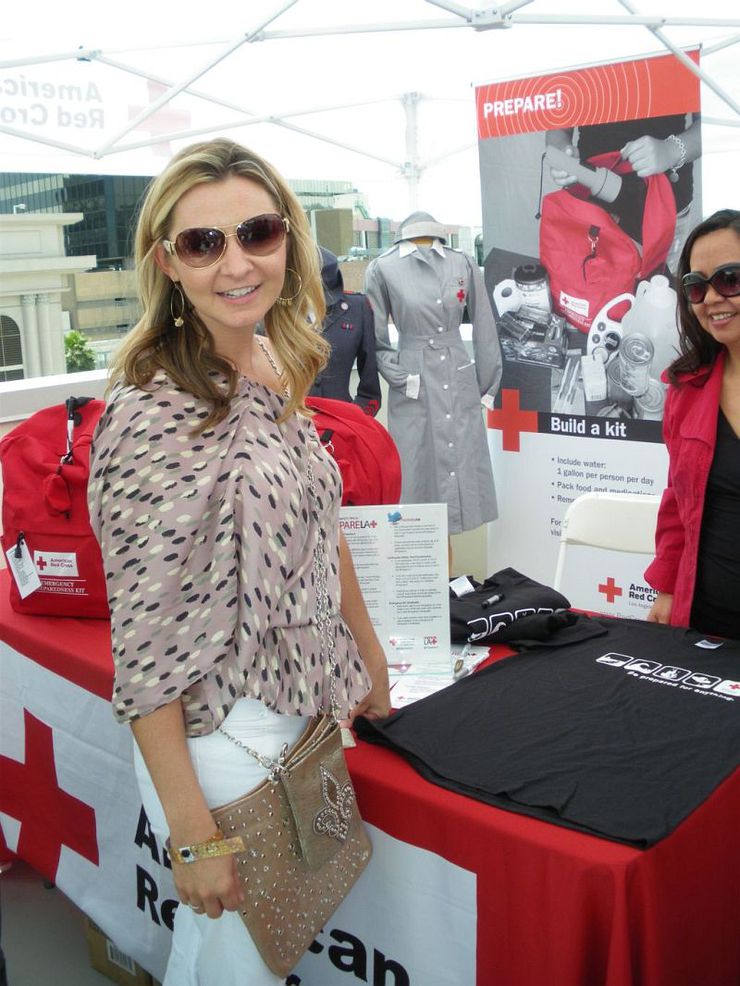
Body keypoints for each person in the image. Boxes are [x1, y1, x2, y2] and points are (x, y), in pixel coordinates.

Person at [87, 138, 391, 986]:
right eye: (202, 242)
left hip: (292, 712)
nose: (236, 262)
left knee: (227, 959)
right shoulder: (154, 415)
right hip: (220, 744)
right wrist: (192, 833)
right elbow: (144, 650)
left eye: (256, 232)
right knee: (238, 968)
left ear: (288, 238)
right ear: (167, 263)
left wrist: (365, 658)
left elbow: (323, 529)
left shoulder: (273, 359)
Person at [364, 211, 502, 535]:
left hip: (456, 369)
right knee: (418, 470)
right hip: (414, 375)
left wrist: (487, 383)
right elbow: (376, 341)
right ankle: (425, 573)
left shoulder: (463, 263)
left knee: (461, 461)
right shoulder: (383, 268)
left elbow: (484, 324)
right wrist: (401, 378)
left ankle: (448, 575)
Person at [645, 209, 740, 638]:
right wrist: (666, 588)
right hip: (708, 625)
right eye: (697, 287)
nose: (712, 299)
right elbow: (678, 502)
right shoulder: (688, 390)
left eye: (730, 279)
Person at [309, 247, 382, 415]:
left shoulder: (357, 308)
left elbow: (369, 390)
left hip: (341, 426)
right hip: (288, 429)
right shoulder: (275, 312)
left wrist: (354, 420)